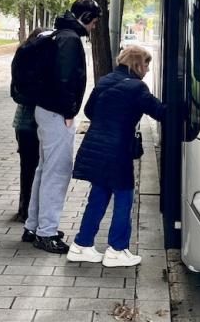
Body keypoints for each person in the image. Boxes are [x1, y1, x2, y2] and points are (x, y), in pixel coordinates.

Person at [67, 45, 164, 267]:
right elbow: (160, 112)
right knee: (124, 198)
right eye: (147, 64)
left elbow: (90, 110)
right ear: (138, 64)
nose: (148, 69)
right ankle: (117, 250)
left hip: (96, 147)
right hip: (117, 150)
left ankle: (81, 245)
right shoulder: (137, 88)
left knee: (99, 196)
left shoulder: (105, 80)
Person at [24, 0, 101, 254]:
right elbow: (66, 78)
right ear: (87, 18)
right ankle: (46, 233)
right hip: (57, 114)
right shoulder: (69, 40)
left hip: (45, 110)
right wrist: (69, 111)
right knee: (57, 173)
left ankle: (33, 226)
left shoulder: (59, 35)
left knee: (44, 170)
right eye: (94, 22)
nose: (94, 27)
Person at [12, 28, 43, 222]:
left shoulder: (21, 58)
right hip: (34, 122)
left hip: (22, 122)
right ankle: (28, 209)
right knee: (36, 166)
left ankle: (25, 207)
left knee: (27, 166)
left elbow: (15, 92)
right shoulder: (37, 63)